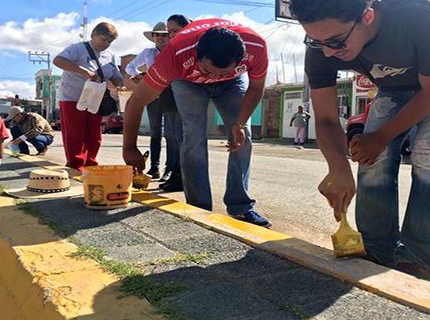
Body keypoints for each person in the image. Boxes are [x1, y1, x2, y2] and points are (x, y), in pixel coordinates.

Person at [290, 0, 430, 280]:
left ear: (366, 16)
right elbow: (325, 118)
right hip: (394, 86)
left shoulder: (421, 15)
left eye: (335, 42)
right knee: (371, 156)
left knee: (427, 156)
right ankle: (377, 249)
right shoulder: (321, 47)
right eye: (315, 40)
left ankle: (417, 258)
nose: (327, 52)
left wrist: (380, 136)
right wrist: (337, 166)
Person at [123, 18, 271, 227]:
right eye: (209, 71)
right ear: (197, 55)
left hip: (233, 83)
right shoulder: (174, 56)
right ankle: (199, 209)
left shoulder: (256, 47)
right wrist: (129, 148)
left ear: (241, 60)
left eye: (222, 72)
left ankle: (241, 206)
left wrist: (239, 123)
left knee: (242, 136)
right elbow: (134, 103)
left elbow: (256, 88)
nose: (215, 78)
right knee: (193, 137)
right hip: (189, 82)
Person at [53, 22, 123, 172]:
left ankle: (91, 164)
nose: (106, 44)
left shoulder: (110, 56)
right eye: (103, 39)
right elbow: (58, 61)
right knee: (74, 133)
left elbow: (116, 76)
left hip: (95, 99)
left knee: (94, 134)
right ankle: (75, 165)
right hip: (72, 97)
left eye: (110, 41)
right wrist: (85, 72)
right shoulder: (77, 48)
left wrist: (117, 84)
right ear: (93, 35)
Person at [125, 22, 177, 185]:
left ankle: (170, 168)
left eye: (164, 35)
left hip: (170, 93)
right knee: (156, 132)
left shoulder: (173, 52)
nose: (160, 38)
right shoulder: (148, 53)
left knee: (171, 134)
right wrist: (138, 76)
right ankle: (154, 167)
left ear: (170, 36)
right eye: (157, 35)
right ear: (153, 37)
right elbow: (129, 67)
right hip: (152, 93)